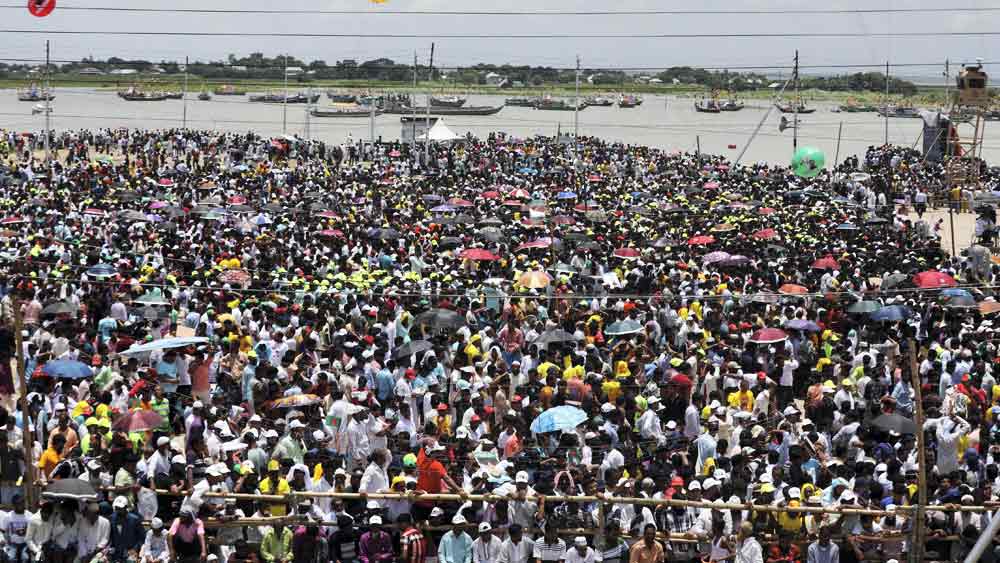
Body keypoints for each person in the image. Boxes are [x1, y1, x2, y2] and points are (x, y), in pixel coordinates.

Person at [109, 495, 145, 562]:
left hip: (130, 552)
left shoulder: (135, 519)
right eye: (117, 508)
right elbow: (110, 536)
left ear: (125, 507)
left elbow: (142, 538)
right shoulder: (111, 518)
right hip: (115, 552)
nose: (118, 510)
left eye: (120, 508)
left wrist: (135, 549)